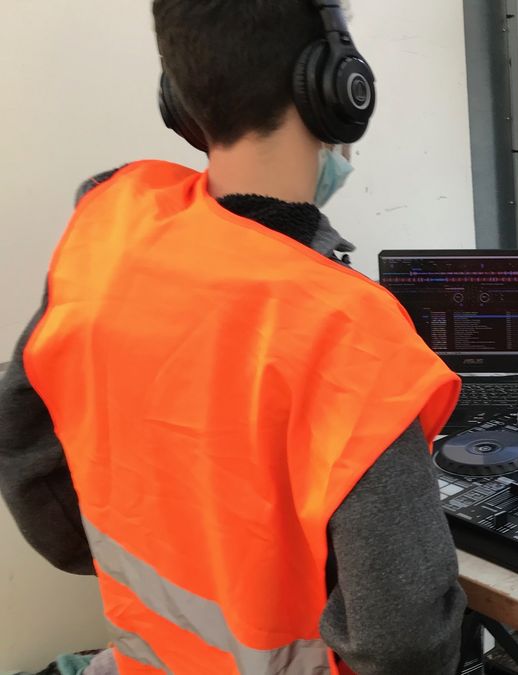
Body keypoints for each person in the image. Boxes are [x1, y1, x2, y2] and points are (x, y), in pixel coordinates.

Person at [0, 2, 467, 673]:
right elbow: (407, 639)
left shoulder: (102, 234)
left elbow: (28, 466)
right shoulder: (350, 336)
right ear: (338, 88)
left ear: (183, 100)